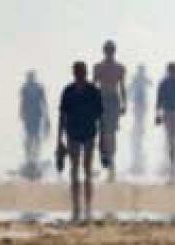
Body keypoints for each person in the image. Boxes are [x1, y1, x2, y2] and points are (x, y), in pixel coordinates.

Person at [57, 61, 103, 222]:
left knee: (87, 170)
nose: (79, 74)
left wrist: (103, 138)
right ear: (74, 73)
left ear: (85, 72)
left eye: (81, 72)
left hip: (89, 132)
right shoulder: (68, 91)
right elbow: (62, 116)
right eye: (77, 72)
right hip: (73, 133)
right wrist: (59, 141)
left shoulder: (93, 91)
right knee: (75, 169)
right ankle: (76, 206)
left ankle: (88, 206)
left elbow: (100, 116)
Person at [93, 40, 127, 182]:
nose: (109, 52)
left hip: (113, 100)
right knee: (103, 132)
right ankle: (106, 158)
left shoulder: (119, 68)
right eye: (108, 50)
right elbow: (94, 84)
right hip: (101, 99)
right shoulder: (98, 67)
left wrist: (124, 103)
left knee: (110, 133)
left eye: (111, 50)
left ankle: (111, 161)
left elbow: (122, 86)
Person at [19, 70, 50, 177]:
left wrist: (46, 117)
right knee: (32, 136)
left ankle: (32, 157)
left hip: (34, 115)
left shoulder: (32, 88)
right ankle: (31, 157)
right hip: (32, 115)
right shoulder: (27, 88)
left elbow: (43, 102)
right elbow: (23, 102)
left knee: (32, 136)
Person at [128, 64, 152, 176]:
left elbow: (130, 89)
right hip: (139, 103)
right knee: (139, 119)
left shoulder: (138, 78)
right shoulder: (139, 78)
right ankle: (139, 129)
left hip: (140, 103)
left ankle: (139, 129)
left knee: (139, 119)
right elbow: (130, 89)